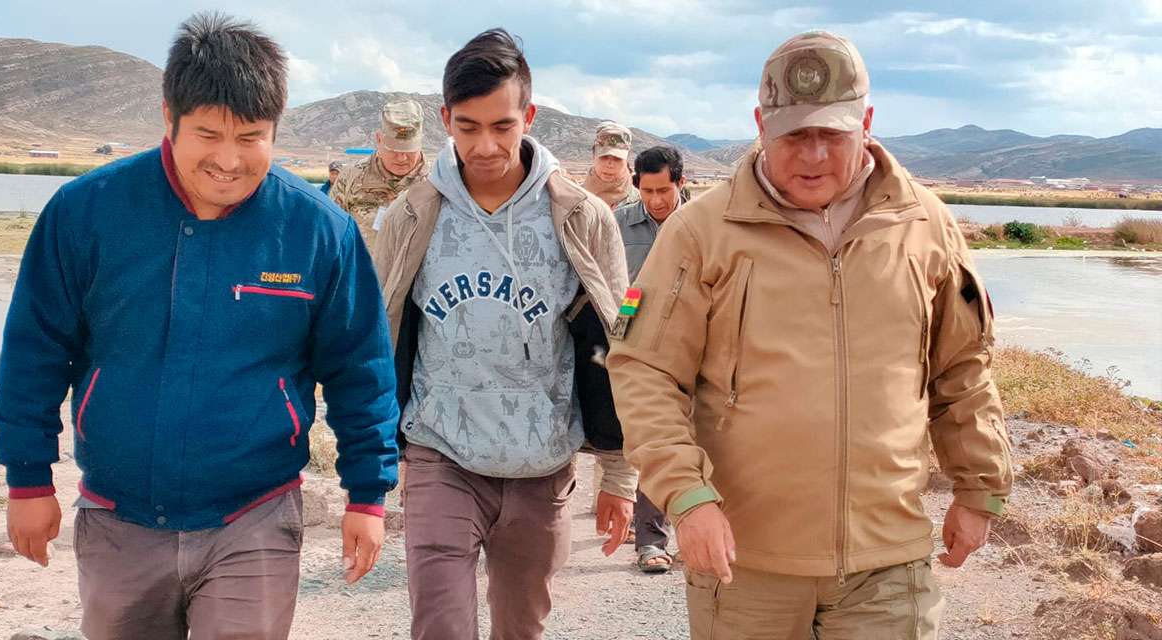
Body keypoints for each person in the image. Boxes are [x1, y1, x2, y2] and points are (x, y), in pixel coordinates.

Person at [0, 13, 400, 640]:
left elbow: (360, 371)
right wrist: (28, 478)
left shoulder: (321, 232)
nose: (229, 160)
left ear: (275, 130)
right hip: (117, 517)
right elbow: (34, 351)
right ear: (168, 117)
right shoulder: (85, 213)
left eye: (252, 137)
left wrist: (367, 494)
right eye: (208, 134)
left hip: (255, 517)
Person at [607, 30, 1013, 639]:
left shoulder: (925, 224)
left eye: (833, 134)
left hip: (888, 561)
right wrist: (686, 497)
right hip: (746, 566)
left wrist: (979, 486)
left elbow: (962, 368)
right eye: (795, 135)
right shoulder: (699, 233)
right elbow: (645, 369)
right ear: (761, 125)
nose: (814, 155)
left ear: (868, 122)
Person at [373, 28, 637, 640]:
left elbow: (623, 349)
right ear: (444, 120)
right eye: (467, 128)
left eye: (502, 125)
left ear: (530, 117)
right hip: (440, 452)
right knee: (439, 626)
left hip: (542, 463)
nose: (485, 145)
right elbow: (378, 335)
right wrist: (374, 462)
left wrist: (619, 477)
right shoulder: (411, 216)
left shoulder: (582, 217)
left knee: (521, 628)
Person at [612, 145, 687, 574]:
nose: (655, 200)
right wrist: (625, 325)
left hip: (692, 346)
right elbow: (615, 288)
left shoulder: (702, 226)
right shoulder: (618, 225)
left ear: (681, 181)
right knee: (650, 438)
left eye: (663, 190)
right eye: (647, 190)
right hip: (637, 345)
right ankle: (650, 541)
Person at [330, 99, 431, 249]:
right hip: (364, 271)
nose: (401, 158)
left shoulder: (437, 185)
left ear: (421, 142)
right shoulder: (350, 178)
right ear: (379, 140)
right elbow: (331, 235)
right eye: (394, 149)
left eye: (408, 149)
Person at [581, 121, 640, 210]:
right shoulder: (573, 199)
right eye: (604, 157)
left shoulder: (639, 203)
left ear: (627, 158)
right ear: (594, 154)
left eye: (617, 158)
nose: (610, 165)